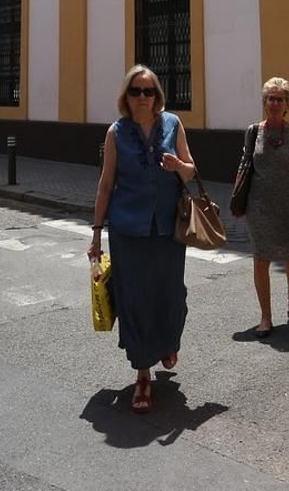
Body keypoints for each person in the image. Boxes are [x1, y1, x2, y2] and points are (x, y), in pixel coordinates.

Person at [88, 64, 197, 413]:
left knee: (170, 293)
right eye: (136, 91)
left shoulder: (173, 124)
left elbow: (192, 169)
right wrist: (96, 233)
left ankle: (168, 341)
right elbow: (106, 184)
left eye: (148, 91)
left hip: (167, 228)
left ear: (157, 96)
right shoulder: (116, 132)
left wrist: (177, 166)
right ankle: (143, 374)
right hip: (128, 230)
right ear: (127, 96)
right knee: (134, 300)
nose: (142, 97)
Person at [237, 77, 289, 338]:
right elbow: (245, 163)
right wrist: (239, 197)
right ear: (265, 102)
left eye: (279, 98)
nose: (274, 102)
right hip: (258, 204)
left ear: (286, 104)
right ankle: (265, 316)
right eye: (270, 97)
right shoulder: (253, 131)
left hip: (286, 203)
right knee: (261, 258)